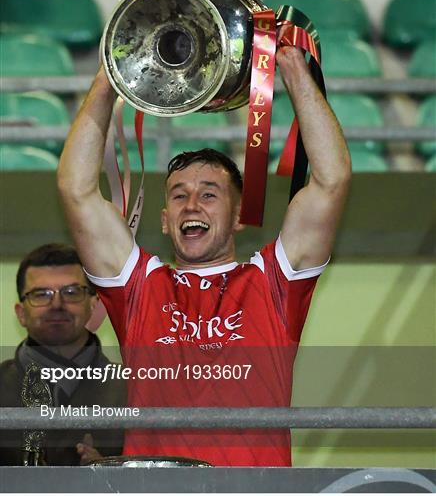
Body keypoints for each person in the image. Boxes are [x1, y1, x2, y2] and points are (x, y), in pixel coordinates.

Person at [57, 25, 351, 466]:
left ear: (236, 218)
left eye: (209, 194)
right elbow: (76, 189)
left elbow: (331, 181)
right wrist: (109, 77)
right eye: (179, 195)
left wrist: (290, 65)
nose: (191, 203)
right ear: (164, 218)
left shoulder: (274, 283)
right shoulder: (138, 286)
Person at [0, 243, 127, 465]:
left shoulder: (132, 390)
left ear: (93, 305)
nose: (57, 304)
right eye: (41, 294)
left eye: (71, 292)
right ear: (21, 313)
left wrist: (111, 474)